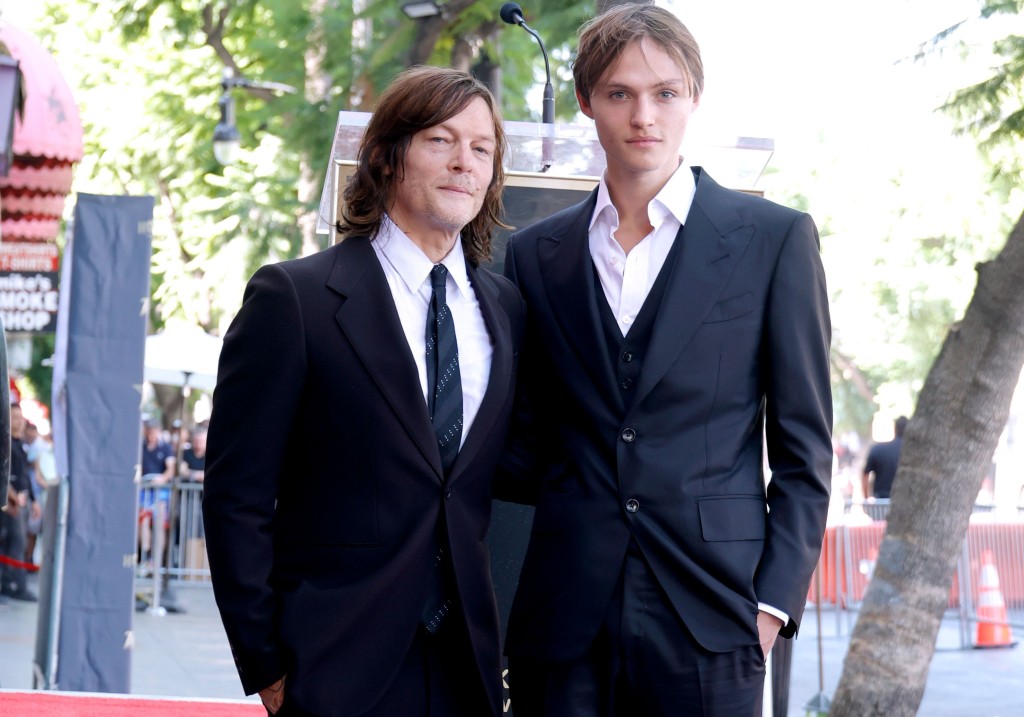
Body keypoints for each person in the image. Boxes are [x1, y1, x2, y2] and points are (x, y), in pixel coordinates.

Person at [496, 5, 833, 715]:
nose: (643, 114)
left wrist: (772, 603)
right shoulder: (536, 254)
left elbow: (805, 449)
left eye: (665, 93)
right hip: (563, 615)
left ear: (694, 99)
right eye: (619, 93)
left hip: (715, 613)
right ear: (587, 103)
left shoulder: (774, 239)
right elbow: (524, 436)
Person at [203, 66, 523, 717]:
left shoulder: (507, 310)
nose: (465, 161)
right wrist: (264, 663)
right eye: (440, 139)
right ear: (385, 155)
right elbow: (235, 494)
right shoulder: (295, 299)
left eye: (482, 148)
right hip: (333, 666)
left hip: (468, 671)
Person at [1, 403, 40, 602]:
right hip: (10, 503)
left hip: (22, 501)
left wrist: (33, 500)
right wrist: (12, 496)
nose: (18, 421)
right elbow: (4, 474)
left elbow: (26, 475)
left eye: (20, 417)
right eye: (14, 417)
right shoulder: (5, 442)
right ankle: (14, 584)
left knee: (18, 543)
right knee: (13, 542)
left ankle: (12, 583)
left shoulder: (21, 444)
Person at [861, 416, 908, 500]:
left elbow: (865, 475)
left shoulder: (877, 449)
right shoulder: (912, 452)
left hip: (880, 501)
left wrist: (866, 498)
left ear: (895, 429)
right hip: (905, 500)